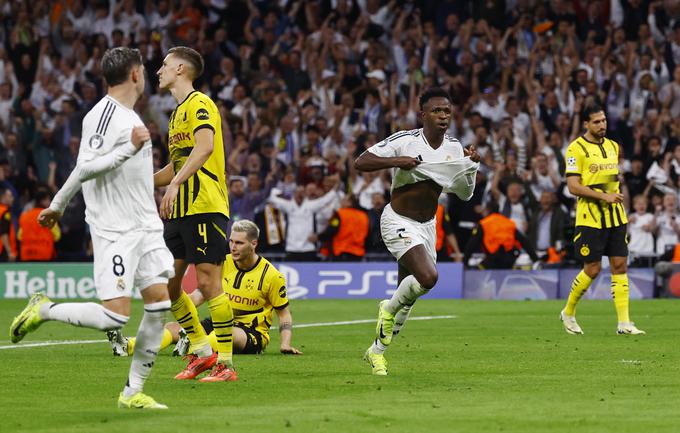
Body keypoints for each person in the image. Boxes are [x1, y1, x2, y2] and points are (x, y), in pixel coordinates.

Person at [9, 47, 174, 409]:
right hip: (115, 229)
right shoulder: (102, 116)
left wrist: (170, 177)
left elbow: (132, 178)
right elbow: (86, 168)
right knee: (114, 315)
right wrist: (56, 205)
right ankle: (45, 309)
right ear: (134, 75)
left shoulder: (131, 116)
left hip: (144, 226)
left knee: (159, 306)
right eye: (144, 71)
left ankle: (133, 393)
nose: (146, 76)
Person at [354, 87, 480, 375]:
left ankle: (376, 353)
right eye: (437, 110)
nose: (443, 116)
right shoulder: (405, 140)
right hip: (397, 220)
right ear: (423, 114)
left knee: (408, 298)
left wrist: (471, 167)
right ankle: (385, 308)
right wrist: (397, 161)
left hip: (427, 227)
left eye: (447, 111)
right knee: (428, 277)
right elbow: (360, 162)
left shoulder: (454, 148)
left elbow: (465, 194)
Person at [155, 46, 236, 382]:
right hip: (180, 209)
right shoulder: (176, 114)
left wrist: (173, 185)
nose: (159, 70)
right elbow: (178, 162)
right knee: (170, 285)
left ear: (181, 68)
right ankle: (203, 353)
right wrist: (144, 183)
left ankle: (226, 365)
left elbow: (204, 149)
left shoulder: (200, 104)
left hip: (204, 204)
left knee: (208, 283)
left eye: (164, 64)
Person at [109, 220, 302, 356]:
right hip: (219, 321)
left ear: (254, 244)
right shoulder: (222, 262)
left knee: (226, 334)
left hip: (251, 333)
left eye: (239, 243)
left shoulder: (272, 276)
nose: (233, 247)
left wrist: (285, 344)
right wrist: (179, 306)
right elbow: (200, 294)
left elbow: (283, 314)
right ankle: (129, 346)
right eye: (232, 241)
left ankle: (193, 345)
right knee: (172, 328)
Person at [560, 104, 645, 335]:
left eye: (604, 120)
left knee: (620, 265)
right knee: (593, 269)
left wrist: (615, 198)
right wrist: (602, 196)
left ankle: (624, 323)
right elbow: (573, 186)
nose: (602, 125)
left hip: (616, 216)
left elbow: (615, 181)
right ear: (586, 124)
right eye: (596, 121)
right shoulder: (575, 149)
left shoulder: (614, 147)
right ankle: (568, 312)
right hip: (590, 218)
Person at [463, 201, 539, 269]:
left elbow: (472, 244)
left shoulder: (484, 223)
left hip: (493, 260)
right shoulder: (508, 222)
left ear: (487, 210)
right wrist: (535, 259)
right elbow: (524, 241)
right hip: (509, 260)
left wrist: (465, 261)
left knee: (481, 272)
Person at [317, 194, 370, 261]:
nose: (341, 201)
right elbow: (368, 234)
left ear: (349, 203)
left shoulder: (340, 214)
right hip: (358, 253)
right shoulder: (364, 216)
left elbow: (331, 230)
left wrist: (318, 237)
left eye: (344, 200)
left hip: (342, 251)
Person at [18, 190, 61, 261]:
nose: (49, 202)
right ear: (42, 201)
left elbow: (19, 236)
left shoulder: (24, 216)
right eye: (48, 200)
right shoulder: (49, 216)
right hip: (45, 255)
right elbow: (57, 236)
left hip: (27, 255)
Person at [0, 186, 17, 262]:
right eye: (10, 196)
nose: (12, 198)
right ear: (3, 197)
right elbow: (4, 233)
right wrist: (9, 252)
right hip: (2, 251)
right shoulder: (5, 212)